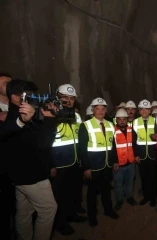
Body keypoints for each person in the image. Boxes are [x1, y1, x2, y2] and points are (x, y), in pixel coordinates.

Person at [2, 79, 58, 240]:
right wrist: (49, 119)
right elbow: (42, 144)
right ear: (15, 97)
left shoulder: (15, 116)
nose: (34, 99)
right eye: (29, 95)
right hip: (32, 176)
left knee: (24, 212)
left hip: (18, 177)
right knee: (48, 209)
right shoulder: (20, 118)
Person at [51, 84, 87, 235]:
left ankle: (72, 215)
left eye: (72, 98)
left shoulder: (77, 116)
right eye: (65, 97)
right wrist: (51, 165)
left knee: (72, 191)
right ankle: (60, 223)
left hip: (74, 161)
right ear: (57, 97)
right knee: (58, 195)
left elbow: (79, 139)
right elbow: (46, 142)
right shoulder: (50, 114)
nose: (69, 101)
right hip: (58, 163)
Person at [78, 97, 119, 227]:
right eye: (97, 109)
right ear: (92, 110)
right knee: (92, 193)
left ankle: (108, 210)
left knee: (106, 190)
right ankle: (92, 216)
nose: (100, 111)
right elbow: (82, 148)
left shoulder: (110, 124)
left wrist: (115, 160)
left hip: (107, 164)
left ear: (106, 110)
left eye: (102, 109)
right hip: (93, 166)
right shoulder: (86, 125)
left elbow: (113, 145)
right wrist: (86, 167)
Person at [112, 108, 137, 210]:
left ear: (127, 120)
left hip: (130, 162)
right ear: (116, 120)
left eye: (124, 119)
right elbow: (111, 148)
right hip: (119, 164)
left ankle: (129, 197)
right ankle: (119, 200)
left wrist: (136, 155)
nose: (122, 121)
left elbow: (135, 145)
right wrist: (114, 161)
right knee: (118, 184)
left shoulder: (131, 130)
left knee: (129, 182)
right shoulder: (113, 131)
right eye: (119, 119)